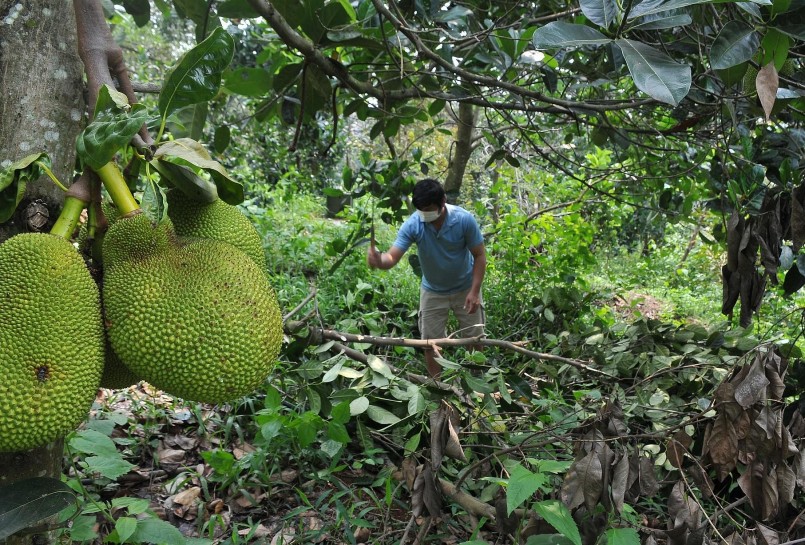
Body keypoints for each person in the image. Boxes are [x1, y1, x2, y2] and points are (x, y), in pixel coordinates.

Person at [367, 178, 487, 377]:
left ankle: (476, 384)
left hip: (466, 287)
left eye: (429, 209)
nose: (425, 214)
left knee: (475, 338)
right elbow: (392, 257)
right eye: (421, 209)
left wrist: (474, 291)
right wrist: (379, 260)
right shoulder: (414, 224)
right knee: (430, 342)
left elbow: (480, 255)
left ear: (443, 202)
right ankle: (437, 387)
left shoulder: (464, 219)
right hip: (433, 291)